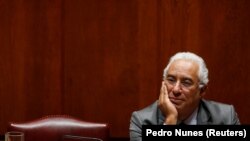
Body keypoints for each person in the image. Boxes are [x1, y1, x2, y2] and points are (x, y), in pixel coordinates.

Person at [129, 52, 240, 141]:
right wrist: (170, 120)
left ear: (202, 90)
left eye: (186, 82)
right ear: (163, 84)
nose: (176, 89)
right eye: (171, 80)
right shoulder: (141, 121)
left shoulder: (226, 118)